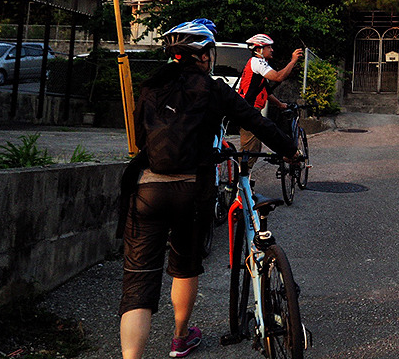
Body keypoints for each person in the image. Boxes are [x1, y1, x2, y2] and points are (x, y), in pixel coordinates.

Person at [117, 19, 297, 359]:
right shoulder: (212, 88)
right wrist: (290, 150)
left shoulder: (151, 86)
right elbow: (256, 121)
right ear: (203, 54)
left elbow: (140, 140)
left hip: (146, 191)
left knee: (138, 285)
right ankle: (180, 338)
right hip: (191, 190)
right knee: (184, 266)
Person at [236, 33, 303, 173]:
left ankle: (244, 183)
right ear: (259, 49)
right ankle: (238, 187)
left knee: (256, 146)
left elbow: (266, 91)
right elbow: (278, 77)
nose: (272, 50)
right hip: (248, 111)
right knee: (249, 151)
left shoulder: (258, 64)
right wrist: (292, 61)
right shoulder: (256, 62)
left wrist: (280, 104)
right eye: (269, 47)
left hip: (250, 110)